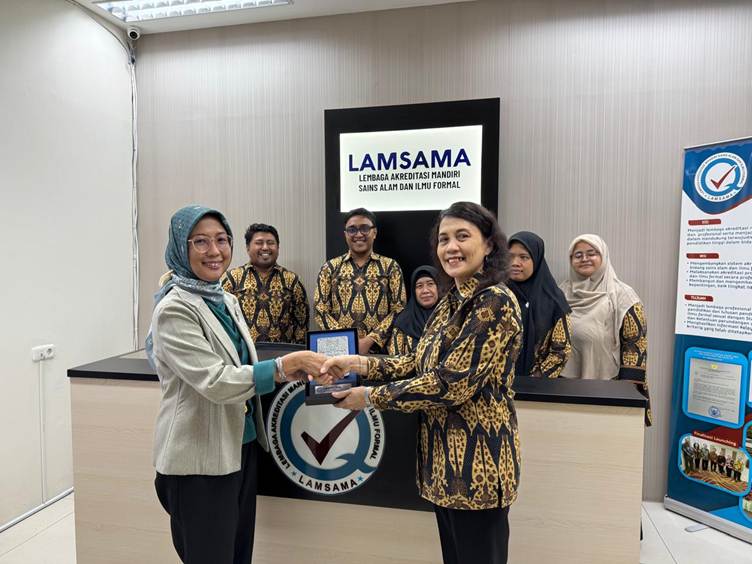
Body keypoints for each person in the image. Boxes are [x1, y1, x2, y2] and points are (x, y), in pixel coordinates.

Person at [321, 202, 522, 564]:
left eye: (463, 236)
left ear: (489, 245)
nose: (451, 247)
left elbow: (450, 383)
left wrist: (368, 396)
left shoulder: (494, 301)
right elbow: (417, 362)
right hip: (443, 467)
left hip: (478, 467)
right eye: (444, 239)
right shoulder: (450, 301)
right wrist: (358, 363)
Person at [146, 205, 329, 564]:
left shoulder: (224, 299)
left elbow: (239, 365)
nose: (214, 251)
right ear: (181, 248)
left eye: (221, 239)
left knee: (238, 554)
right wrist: (281, 366)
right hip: (200, 461)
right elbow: (214, 380)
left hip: (239, 447)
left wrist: (285, 372)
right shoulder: (174, 308)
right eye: (200, 242)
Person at [559, 234, 652, 425]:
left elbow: (635, 345)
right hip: (565, 385)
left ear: (603, 256)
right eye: (578, 255)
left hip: (608, 385)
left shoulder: (623, 295)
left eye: (591, 253)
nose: (584, 259)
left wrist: (623, 395)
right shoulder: (561, 292)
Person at [314, 208, 406, 354]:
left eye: (364, 228)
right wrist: (347, 340)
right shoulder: (329, 268)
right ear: (345, 234)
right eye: (352, 230)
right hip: (339, 352)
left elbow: (399, 309)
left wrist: (370, 340)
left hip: (380, 352)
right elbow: (320, 309)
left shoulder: (390, 267)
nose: (358, 234)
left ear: (374, 232)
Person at [222, 222, 309, 344]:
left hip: (283, 353)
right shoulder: (232, 279)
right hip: (242, 352)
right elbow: (222, 319)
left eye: (270, 243)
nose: (265, 247)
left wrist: (297, 350)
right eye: (259, 243)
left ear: (278, 247)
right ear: (248, 247)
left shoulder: (292, 281)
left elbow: (301, 324)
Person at [507, 231, 572, 378]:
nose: (515, 262)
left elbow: (561, 351)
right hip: (496, 385)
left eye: (524, 257)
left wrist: (536, 379)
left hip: (538, 385)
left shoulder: (553, 299)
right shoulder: (495, 295)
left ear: (536, 260)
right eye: (510, 256)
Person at [368, 265, 440, 355]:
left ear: (439, 287)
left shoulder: (450, 317)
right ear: (413, 291)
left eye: (430, 284)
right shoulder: (403, 323)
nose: (425, 290)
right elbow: (395, 359)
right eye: (419, 286)